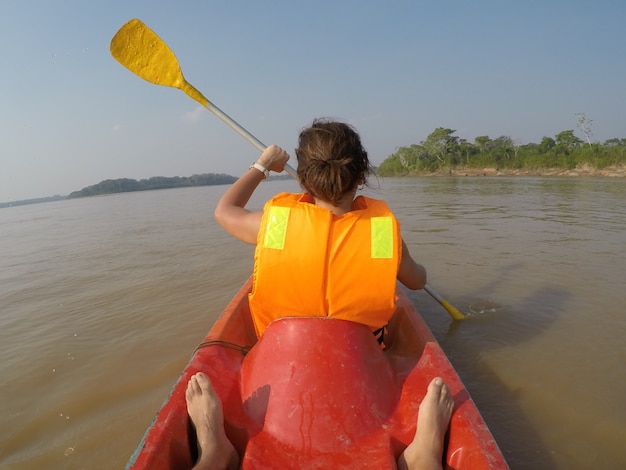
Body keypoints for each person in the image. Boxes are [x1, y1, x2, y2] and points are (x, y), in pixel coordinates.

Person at [187, 119, 452, 469]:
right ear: (360, 176)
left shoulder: (273, 225)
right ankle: (422, 456)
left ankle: (214, 454)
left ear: (303, 179)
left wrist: (262, 166)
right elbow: (417, 282)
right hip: (361, 366)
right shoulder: (382, 233)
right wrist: (410, 266)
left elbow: (225, 211)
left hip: (281, 365)